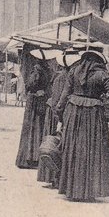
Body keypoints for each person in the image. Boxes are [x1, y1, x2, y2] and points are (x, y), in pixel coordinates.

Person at [54, 45, 109, 202]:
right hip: (93, 116)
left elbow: (63, 98)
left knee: (74, 150)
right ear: (100, 59)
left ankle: (71, 190)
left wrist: (60, 116)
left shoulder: (74, 71)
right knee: (93, 151)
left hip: (73, 113)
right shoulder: (102, 74)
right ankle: (89, 191)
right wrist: (104, 97)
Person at [37, 50, 78, 187]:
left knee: (57, 146)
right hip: (60, 114)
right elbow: (58, 101)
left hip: (59, 114)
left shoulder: (63, 77)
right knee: (57, 146)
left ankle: (56, 178)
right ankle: (56, 179)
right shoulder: (66, 77)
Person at [15, 47, 53, 169]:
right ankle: (36, 156)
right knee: (39, 128)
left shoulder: (36, 70)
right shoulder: (47, 70)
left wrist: (31, 89)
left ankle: (29, 158)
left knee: (31, 128)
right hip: (42, 101)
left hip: (34, 102)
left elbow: (31, 85)